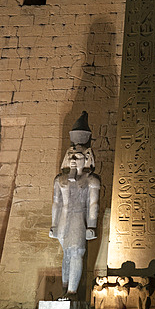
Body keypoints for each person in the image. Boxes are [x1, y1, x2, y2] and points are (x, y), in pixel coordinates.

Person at [49, 112, 102, 297]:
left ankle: (72, 292)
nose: (73, 159)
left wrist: (92, 226)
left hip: (80, 218)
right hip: (64, 218)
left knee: (76, 253)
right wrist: (54, 225)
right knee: (66, 254)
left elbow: (93, 204)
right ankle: (64, 289)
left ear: (87, 157)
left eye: (77, 156)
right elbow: (56, 203)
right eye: (71, 155)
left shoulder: (91, 180)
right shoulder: (60, 179)